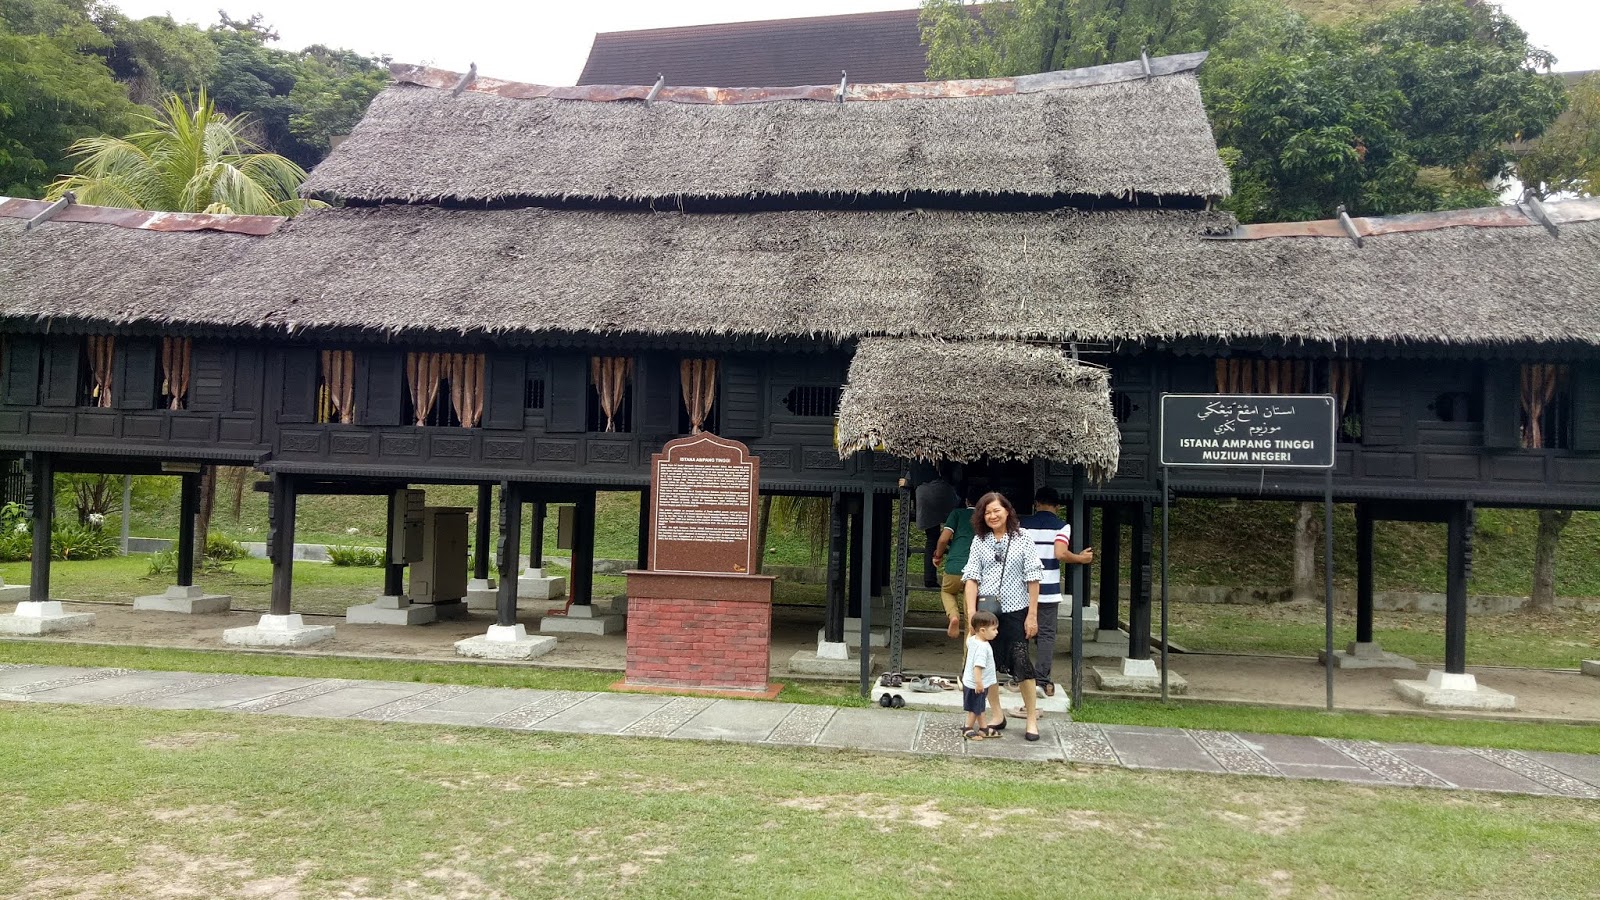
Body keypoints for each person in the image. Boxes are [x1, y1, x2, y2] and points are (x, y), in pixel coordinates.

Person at [961, 491, 1045, 741]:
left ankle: (1031, 719)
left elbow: (1033, 577)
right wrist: (971, 616)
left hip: (1016, 611)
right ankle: (997, 714)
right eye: (986, 512)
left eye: (996, 510)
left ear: (1007, 511)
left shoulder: (1023, 538)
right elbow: (971, 578)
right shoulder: (980, 541)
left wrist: (1032, 615)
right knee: (986, 665)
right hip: (986, 615)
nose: (992, 515)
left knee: (1022, 664)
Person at [1019, 486, 1094, 698]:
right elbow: (1060, 553)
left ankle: (1021, 678)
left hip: (1023, 589)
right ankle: (1041, 681)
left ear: (1036, 504)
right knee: (1046, 635)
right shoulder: (1062, 526)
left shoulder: (1023, 525)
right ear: (1058, 507)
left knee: (1021, 633)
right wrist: (1080, 558)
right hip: (1048, 590)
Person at [931, 486, 983, 639]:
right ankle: (968, 659)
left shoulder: (957, 514)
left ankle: (953, 616)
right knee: (971, 618)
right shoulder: (985, 517)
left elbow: (943, 538)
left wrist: (938, 555)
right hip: (975, 572)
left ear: (966, 501)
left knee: (947, 591)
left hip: (954, 566)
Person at [915, 466, 961, 589]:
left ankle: (929, 579)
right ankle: (958, 574)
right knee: (958, 535)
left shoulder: (918, 461)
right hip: (945, 492)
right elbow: (957, 477)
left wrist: (908, 482)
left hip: (924, 494)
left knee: (931, 538)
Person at [961, 610, 1001, 740]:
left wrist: (970, 631)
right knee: (974, 708)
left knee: (979, 706)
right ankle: (968, 728)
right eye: (994, 629)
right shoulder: (983, 647)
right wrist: (979, 683)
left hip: (972, 682)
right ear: (983, 630)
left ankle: (983, 728)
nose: (996, 632)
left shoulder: (973, 640)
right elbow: (977, 667)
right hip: (976, 684)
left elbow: (967, 639)